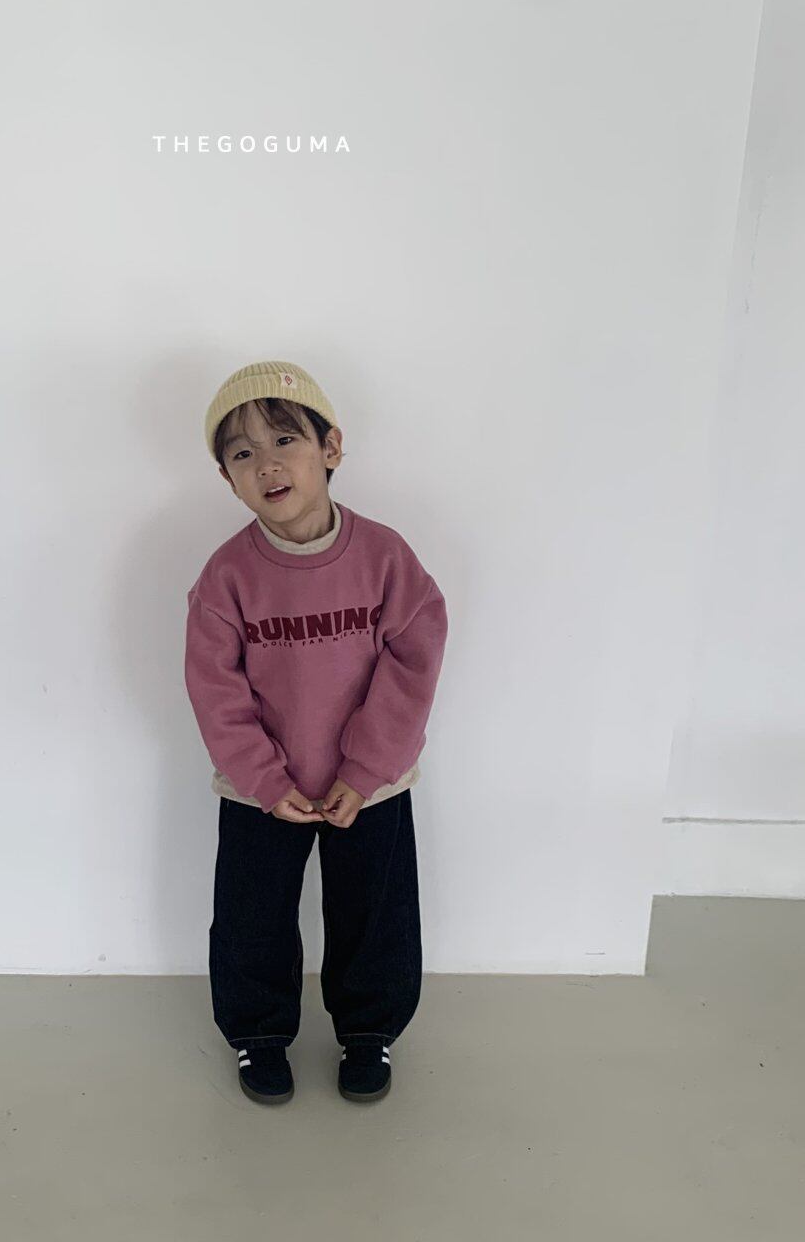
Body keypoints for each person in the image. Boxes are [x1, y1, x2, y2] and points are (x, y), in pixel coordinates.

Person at [184, 360, 449, 1105]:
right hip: (262, 791)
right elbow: (215, 691)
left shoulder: (385, 558)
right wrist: (265, 781)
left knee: (376, 914)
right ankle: (259, 1035)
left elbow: (413, 661)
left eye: (284, 440)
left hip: (371, 785)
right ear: (228, 479)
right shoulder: (226, 579)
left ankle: (369, 1033)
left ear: (330, 447)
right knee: (252, 918)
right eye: (242, 453)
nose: (267, 464)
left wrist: (365, 770)